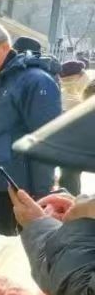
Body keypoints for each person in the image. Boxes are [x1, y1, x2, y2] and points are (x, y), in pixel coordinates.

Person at [0, 23, 62, 234]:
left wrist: (42, 196)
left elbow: (45, 142)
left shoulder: (35, 81)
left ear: (4, 47)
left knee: (35, 243)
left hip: (17, 186)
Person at [58, 59, 94, 195]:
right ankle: (70, 202)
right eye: (63, 81)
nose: (65, 84)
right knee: (68, 174)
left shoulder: (90, 85)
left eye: (68, 80)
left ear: (79, 76)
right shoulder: (67, 90)